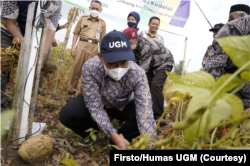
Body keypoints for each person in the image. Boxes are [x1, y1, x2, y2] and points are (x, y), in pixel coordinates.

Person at [59, 30, 156, 150]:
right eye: (112, 63)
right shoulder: (90, 68)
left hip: (122, 105)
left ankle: (120, 139)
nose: (119, 68)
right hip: (99, 100)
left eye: (124, 62)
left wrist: (151, 143)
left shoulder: (138, 73)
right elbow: (94, 106)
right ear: (100, 57)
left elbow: (144, 110)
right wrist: (113, 134)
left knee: (143, 115)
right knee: (68, 114)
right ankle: (94, 132)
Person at [0, 0, 62, 112]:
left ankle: (20, 104)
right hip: (7, 30)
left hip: (33, 34)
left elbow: (51, 29)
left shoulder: (57, 2)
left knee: (30, 68)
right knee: (2, 66)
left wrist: (41, 55)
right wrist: (26, 47)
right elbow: (10, 23)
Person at [123, 27, 175, 125]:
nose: (127, 44)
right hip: (152, 64)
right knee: (146, 86)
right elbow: (131, 64)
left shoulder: (145, 46)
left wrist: (131, 82)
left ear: (136, 39)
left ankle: (159, 116)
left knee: (155, 85)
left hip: (164, 62)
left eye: (129, 41)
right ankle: (147, 113)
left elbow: (143, 68)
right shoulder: (131, 47)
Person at [204, 4, 250, 110]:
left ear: (242, 15)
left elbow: (214, 66)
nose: (229, 20)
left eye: (230, 17)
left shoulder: (231, 27)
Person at [67, 0, 106, 103]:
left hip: (94, 48)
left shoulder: (102, 23)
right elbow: (76, 33)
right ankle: (71, 93)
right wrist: (73, 47)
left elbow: (102, 39)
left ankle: (83, 95)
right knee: (76, 69)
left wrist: (101, 53)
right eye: (93, 8)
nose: (95, 10)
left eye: (97, 9)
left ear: (100, 10)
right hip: (81, 45)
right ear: (89, 8)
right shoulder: (83, 19)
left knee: (89, 73)